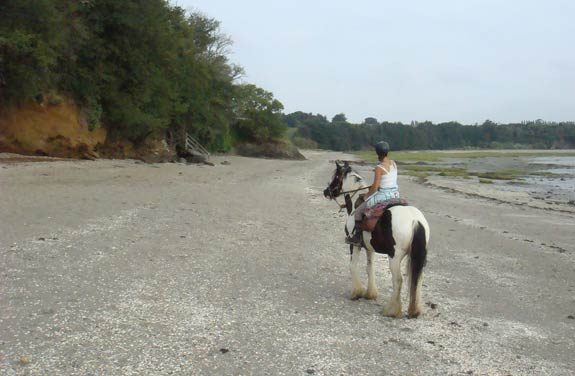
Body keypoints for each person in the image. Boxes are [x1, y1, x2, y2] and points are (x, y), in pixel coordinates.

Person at [345, 141, 400, 245]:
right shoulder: (393, 163)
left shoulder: (379, 168)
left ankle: (357, 237)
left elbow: (375, 188)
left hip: (383, 196)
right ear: (387, 152)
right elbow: (387, 181)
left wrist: (366, 196)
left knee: (358, 211)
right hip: (395, 195)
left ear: (377, 153)